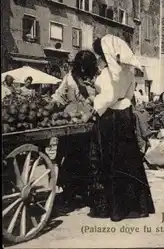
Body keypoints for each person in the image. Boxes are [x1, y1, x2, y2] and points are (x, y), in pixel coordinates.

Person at [86, 34, 155, 221]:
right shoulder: (128, 73)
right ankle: (139, 207)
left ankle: (116, 209)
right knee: (130, 160)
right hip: (126, 115)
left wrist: (94, 107)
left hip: (111, 118)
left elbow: (107, 98)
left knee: (111, 161)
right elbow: (129, 95)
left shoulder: (107, 74)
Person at [51, 50, 99, 209]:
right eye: (82, 67)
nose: (84, 70)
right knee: (69, 157)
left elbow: (101, 99)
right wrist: (52, 106)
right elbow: (58, 96)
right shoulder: (69, 78)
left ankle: (84, 191)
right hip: (70, 123)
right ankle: (69, 191)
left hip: (89, 124)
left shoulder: (96, 79)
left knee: (87, 159)